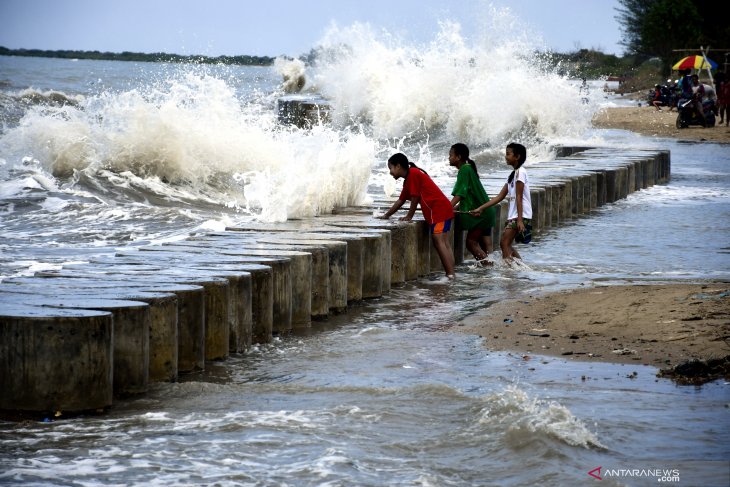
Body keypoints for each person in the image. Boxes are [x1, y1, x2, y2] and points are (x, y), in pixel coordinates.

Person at [378, 152, 456, 279]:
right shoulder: (409, 178)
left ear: (398, 166)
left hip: (437, 210)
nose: (390, 172)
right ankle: (452, 273)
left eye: (390, 168)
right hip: (442, 208)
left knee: (439, 242)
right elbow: (401, 200)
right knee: (444, 243)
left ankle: (450, 275)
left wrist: (409, 215)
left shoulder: (413, 174)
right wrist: (386, 215)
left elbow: (415, 197)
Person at [469, 143, 532, 263]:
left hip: (520, 215)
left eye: (508, 154)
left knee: (504, 243)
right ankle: (519, 267)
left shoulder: (521, 172)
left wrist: (519, 220)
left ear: (517, 156)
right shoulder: (512, 175)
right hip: (515, 215)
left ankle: (509, 271)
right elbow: (499, 197)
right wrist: (480, 208)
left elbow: (519, 196)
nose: (505, 156)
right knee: (506, 244)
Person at [448, 143, 495, 264]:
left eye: (450, 155)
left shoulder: (464, 169)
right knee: (486, 248)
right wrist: (457, 207)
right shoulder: (468, 168)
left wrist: (447, 208)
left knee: (471, 243)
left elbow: (460, 194)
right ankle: (490, 273)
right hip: (486, 211)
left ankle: (489, 269)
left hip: (481, 214)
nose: (449, 158)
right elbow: (468, 195)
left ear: (458, 157)